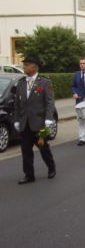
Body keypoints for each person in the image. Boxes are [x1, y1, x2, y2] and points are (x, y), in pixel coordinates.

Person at [14, 55, 56, 184]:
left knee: (43, 147)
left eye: (27, 64)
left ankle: (51, 168)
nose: (24, 67)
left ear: (34, 66)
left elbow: (50, 103)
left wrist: (49, 120)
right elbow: (17, 104)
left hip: (41, 124)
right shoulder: (21, 83)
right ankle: (29, 175)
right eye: (24, 64)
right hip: (25, 123)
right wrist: (17, 120)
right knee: (25, 150)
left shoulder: (45, 82)